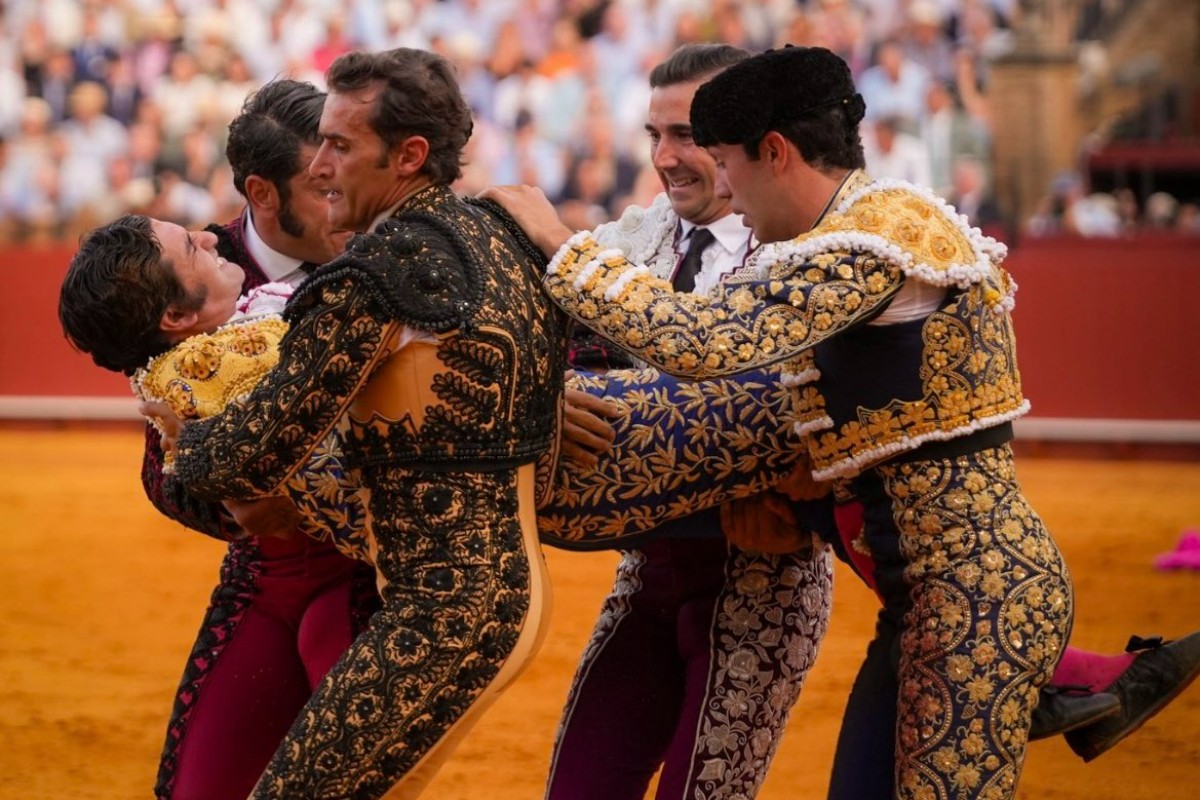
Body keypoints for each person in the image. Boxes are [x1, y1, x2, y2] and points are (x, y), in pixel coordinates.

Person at [485, 44, 1081, 800]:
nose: (722, 186)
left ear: (774, 153)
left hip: (977, 602)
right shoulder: (848, 234)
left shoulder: (873, 239)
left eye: (725, 161)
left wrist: (556, 240)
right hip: (926, 599)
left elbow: (701, 345)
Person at [163, 48, 569, 800]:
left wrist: (183, 435)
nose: (321, 166)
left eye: (340, 146)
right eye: (320, 143)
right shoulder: (494, 231)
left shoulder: (372, 275)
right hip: (502, 592)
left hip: (432, 609)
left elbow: (248, 459)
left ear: (408, 156)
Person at [58, 80, 380, 800]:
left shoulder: (385, 235)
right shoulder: (191, 273)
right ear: (264, 194)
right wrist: (233, 504)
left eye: (348, 173)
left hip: (375, 566)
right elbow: (162, 466)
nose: (345, 200)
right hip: (265, 572)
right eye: (322, 184)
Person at [541, 44, 834, 800]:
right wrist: (547, 392)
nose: (667, 158)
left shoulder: (811, 251)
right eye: (656, 135)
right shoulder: (634, 241)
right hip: (647, 573)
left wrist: (806, 481)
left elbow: (862, 404)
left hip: (763, 580)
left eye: (691, 136)